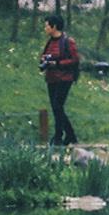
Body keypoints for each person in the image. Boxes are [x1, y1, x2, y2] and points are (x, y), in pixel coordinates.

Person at [39, 14, 80, 145]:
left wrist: (57, 64)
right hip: (51, 79)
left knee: (58, 106)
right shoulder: (50, 42)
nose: (45, 28)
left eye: (47, 25)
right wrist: (45, 61)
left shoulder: (68, 42)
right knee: (56, 108)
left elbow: (74, 60)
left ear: (54, 26)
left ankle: (58, 136)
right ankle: (70, 136)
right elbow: (44, 56)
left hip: (64, 78)